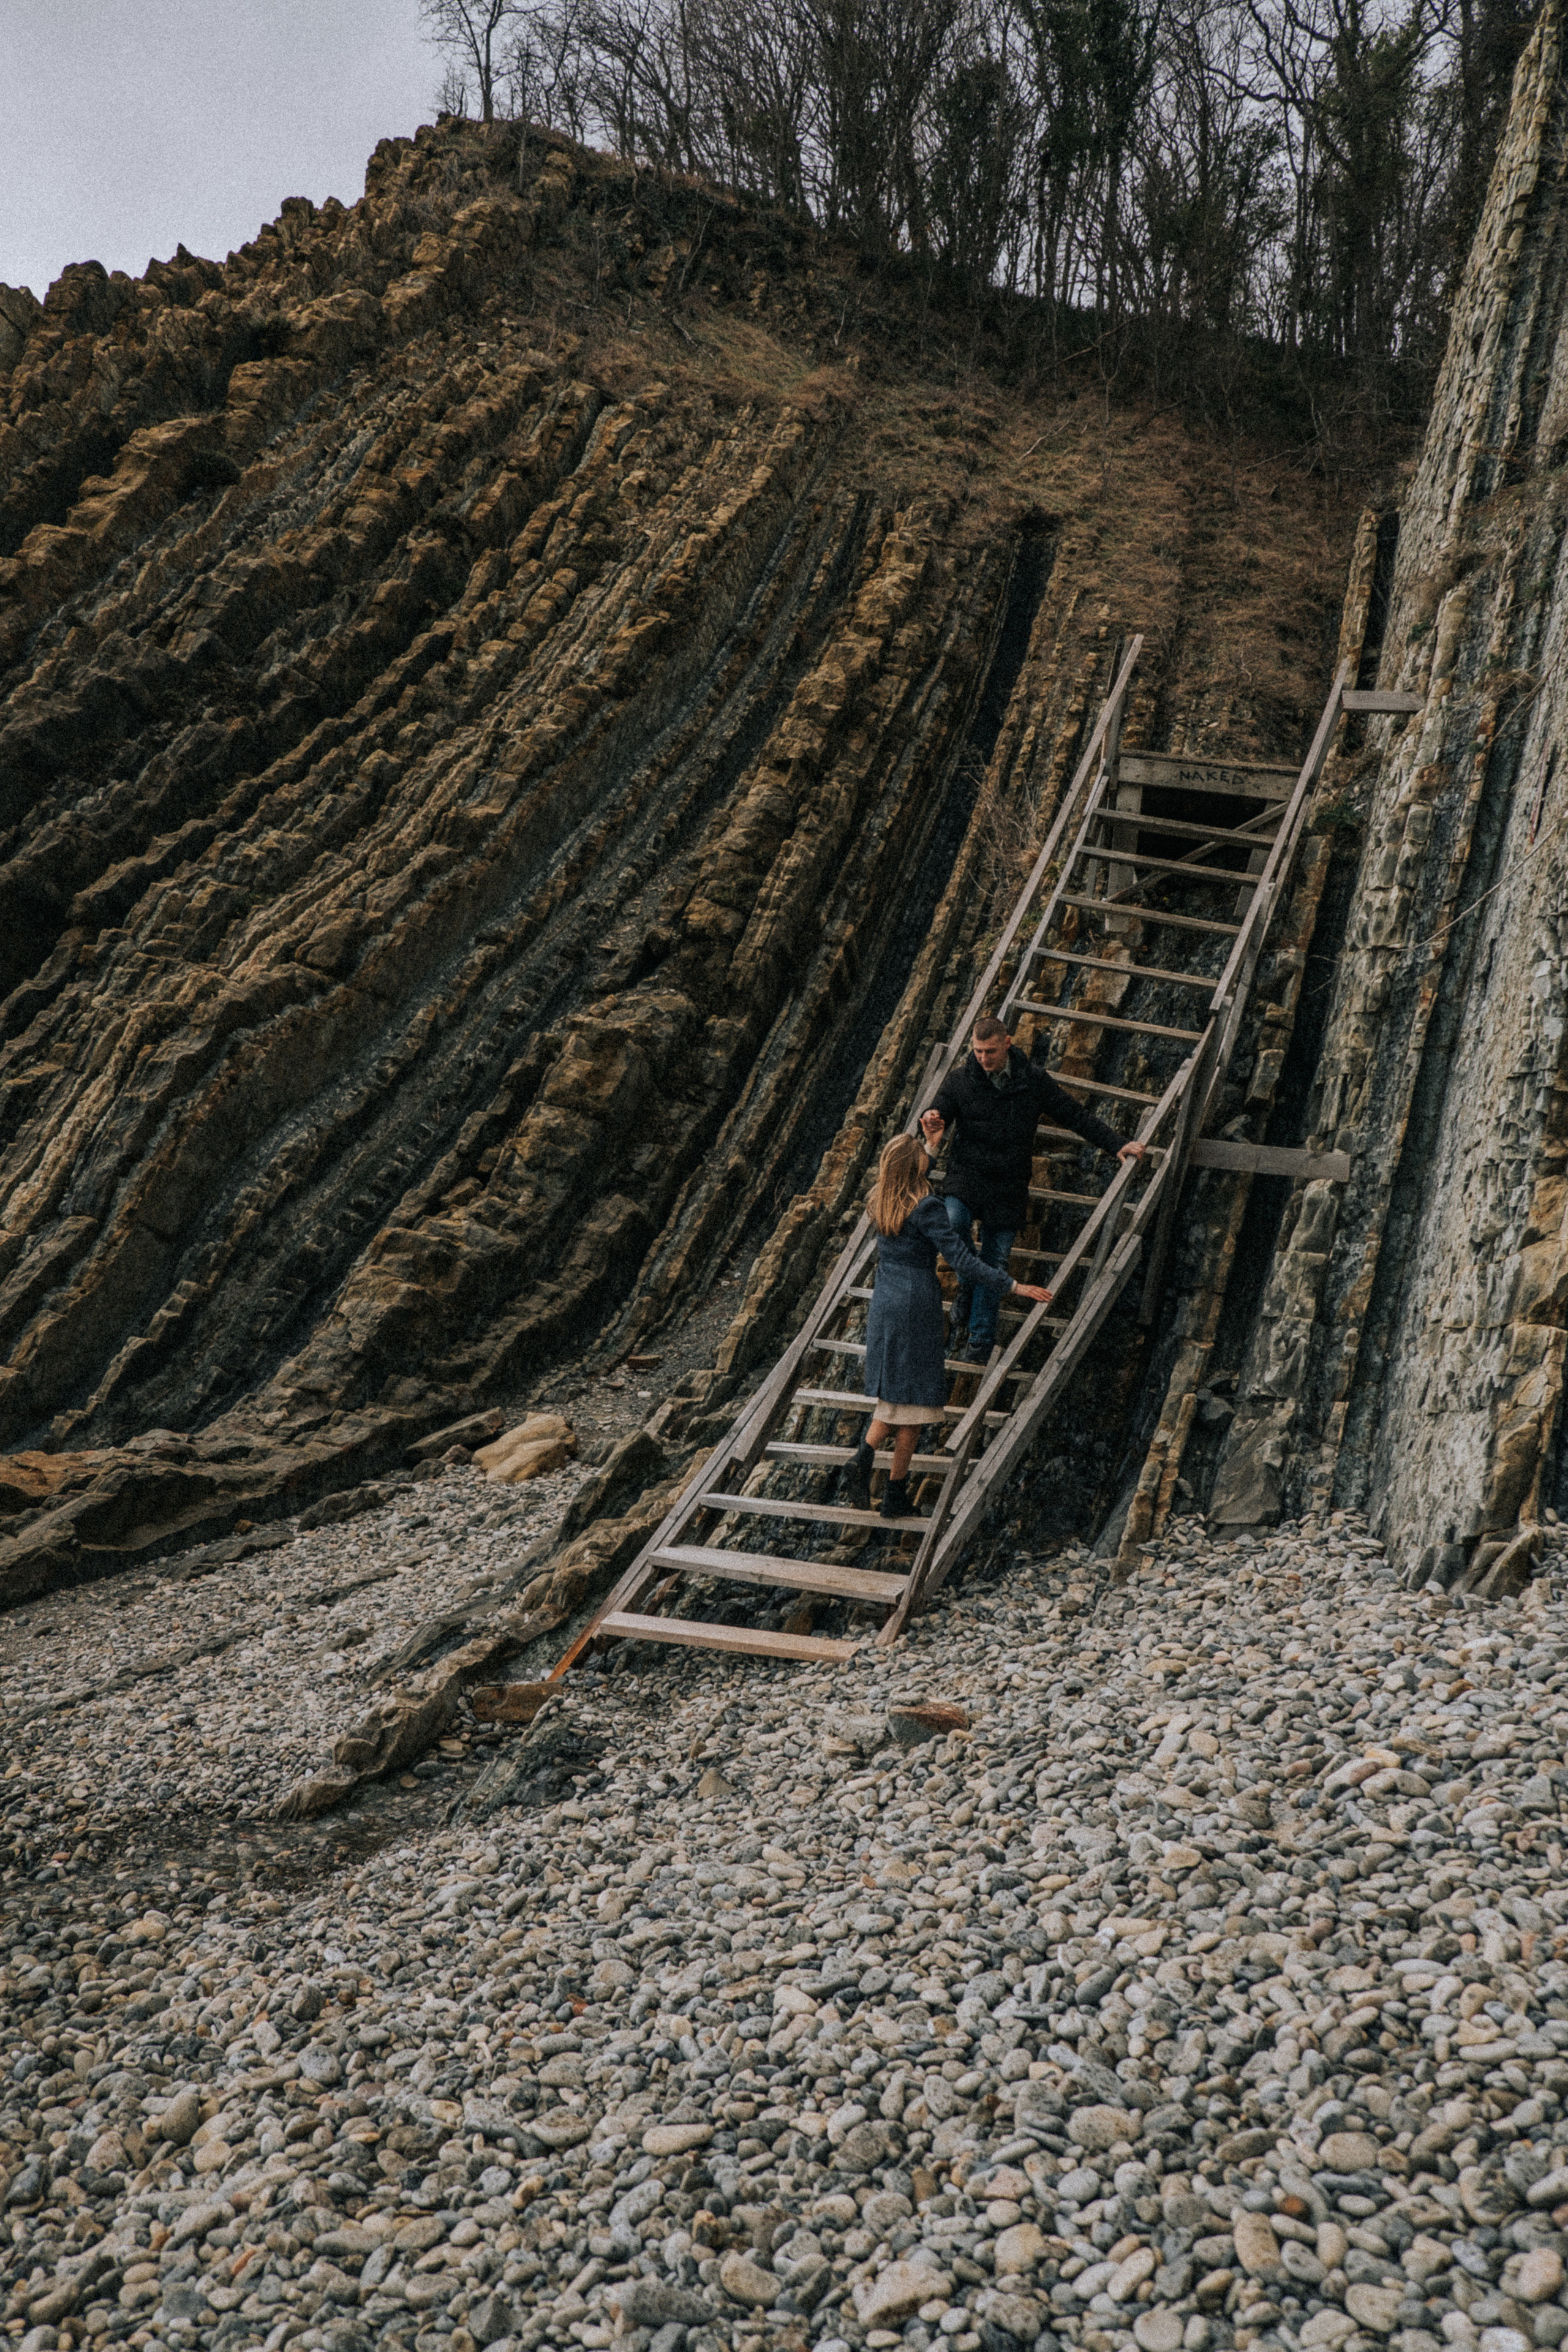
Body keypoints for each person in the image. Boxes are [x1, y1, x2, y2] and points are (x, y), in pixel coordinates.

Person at [919, 1012, 1146, 1362]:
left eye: (990, 1051)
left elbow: (1074, 1115)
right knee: (952, 1223)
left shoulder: (1033, 1081)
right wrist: (934, 1118)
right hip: (967, 1177)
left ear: (1007, 1044)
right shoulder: (961, 1080)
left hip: (1008, 1186)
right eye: (978, 1051)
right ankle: (967, 1283)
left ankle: (978, 1344)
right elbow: (940, 1111)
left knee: (994, 1260)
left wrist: (1117, 1143)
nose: (983, 1058)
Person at [850, 1133, 1053, 1521]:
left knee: (896, 1397)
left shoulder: (880, 1200)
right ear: (915, 1168)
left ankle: (867, 1466)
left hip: (886, 1301)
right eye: (923, 1158)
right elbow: (963, 1258)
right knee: (919, 1401)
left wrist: (930, 1145)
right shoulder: (926, 1207)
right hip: (915, 1305)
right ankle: (890, 1489)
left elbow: (910, 1167)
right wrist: (1013, 1285)